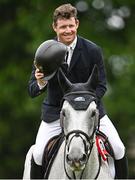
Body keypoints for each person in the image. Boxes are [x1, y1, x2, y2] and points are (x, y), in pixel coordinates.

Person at [27, 3, 128, 179]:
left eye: (71, 26)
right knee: (37, 153)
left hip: (90, 112)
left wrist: (86, 104)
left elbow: (102, 85)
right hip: (55, 113)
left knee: (119, 148)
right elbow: (32, 90)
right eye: (63, 27)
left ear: (77, 24)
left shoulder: (92, 50)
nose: (68, 30)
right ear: (55, 27)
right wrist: (41, 81)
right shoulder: (46, 51)